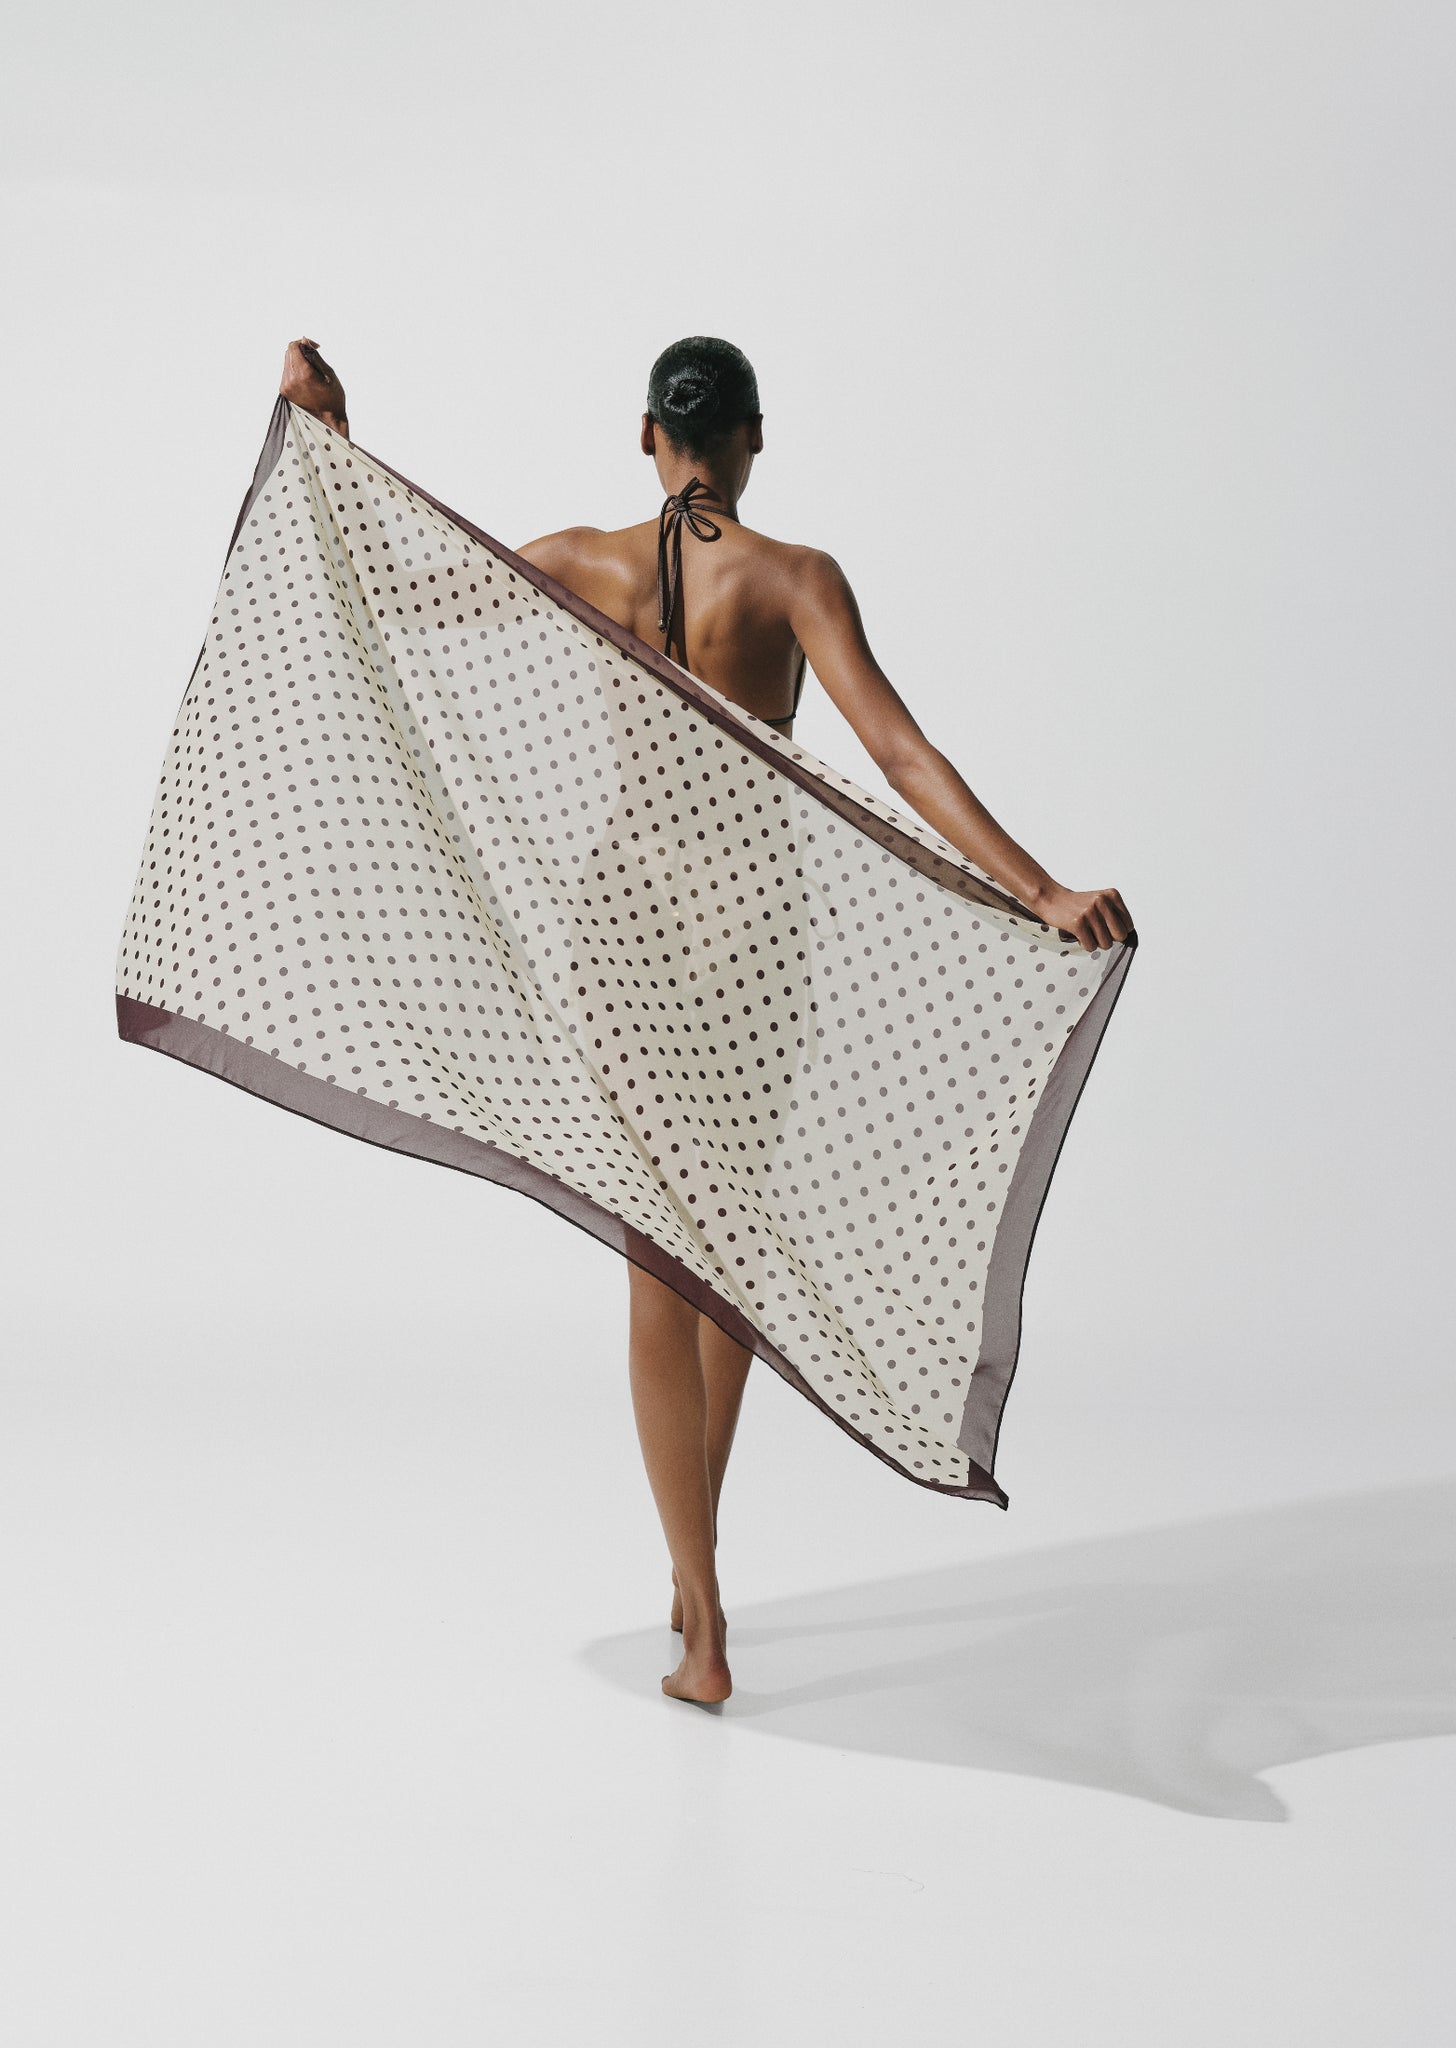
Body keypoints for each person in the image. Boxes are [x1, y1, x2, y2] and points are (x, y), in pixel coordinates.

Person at [278, 335, 1133, 1706]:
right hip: (751, 933)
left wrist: (329, 434)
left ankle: (701, 1609)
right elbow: (898, 749)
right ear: (753, 438)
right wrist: (1038, 890)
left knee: (655, 1263)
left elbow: (392, 590)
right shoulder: (794, 580)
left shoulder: (581, 561)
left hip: (624, 923)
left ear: (646, 437)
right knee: (725, 1246)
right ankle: (700, 1576)